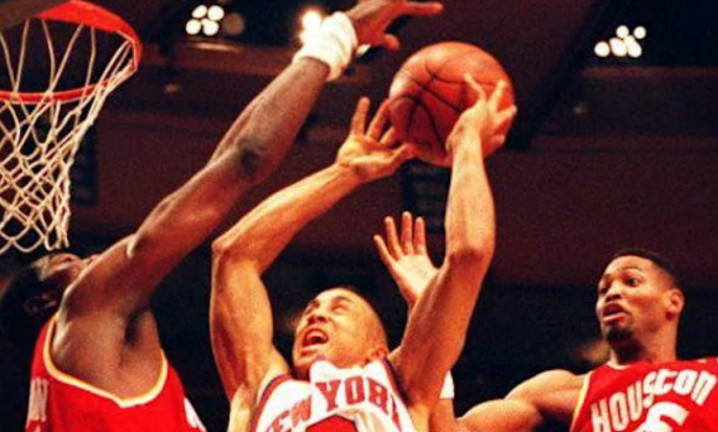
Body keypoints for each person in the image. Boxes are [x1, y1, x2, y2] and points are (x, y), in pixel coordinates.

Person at [0, 1, 442, 430]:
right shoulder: (87, 308)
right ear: (43, 304)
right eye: (73, 263)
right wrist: (338, 36)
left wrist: (342, 173)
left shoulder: (77, 389)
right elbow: (246, 158)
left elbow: (227, 203)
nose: (95, 260)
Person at [209, 74, 516, 432]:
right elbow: (233, 255)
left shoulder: (403, 382)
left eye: (339, 309)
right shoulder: (264, 387)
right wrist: (344, 174)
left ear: (377, 352)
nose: (316, 315)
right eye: (311, 310)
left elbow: (470, 253)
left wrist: (466, 143)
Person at [414, 248, 718, 432]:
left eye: (631, 281)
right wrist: (431, 314)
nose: (613, 293)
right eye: (603, 290)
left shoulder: (711, 374)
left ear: (673, 302)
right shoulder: (563, 389)